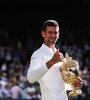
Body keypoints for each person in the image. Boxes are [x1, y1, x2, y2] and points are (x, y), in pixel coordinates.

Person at [27, 19, 83, 100]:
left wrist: (73, 84)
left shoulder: (59, 55)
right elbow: (30, 78)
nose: (53, 35)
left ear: (58, 34)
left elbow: (59, 85)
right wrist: (52, 62)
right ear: (43, 34)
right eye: (50, 32)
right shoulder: (38, 54)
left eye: (55, 32)